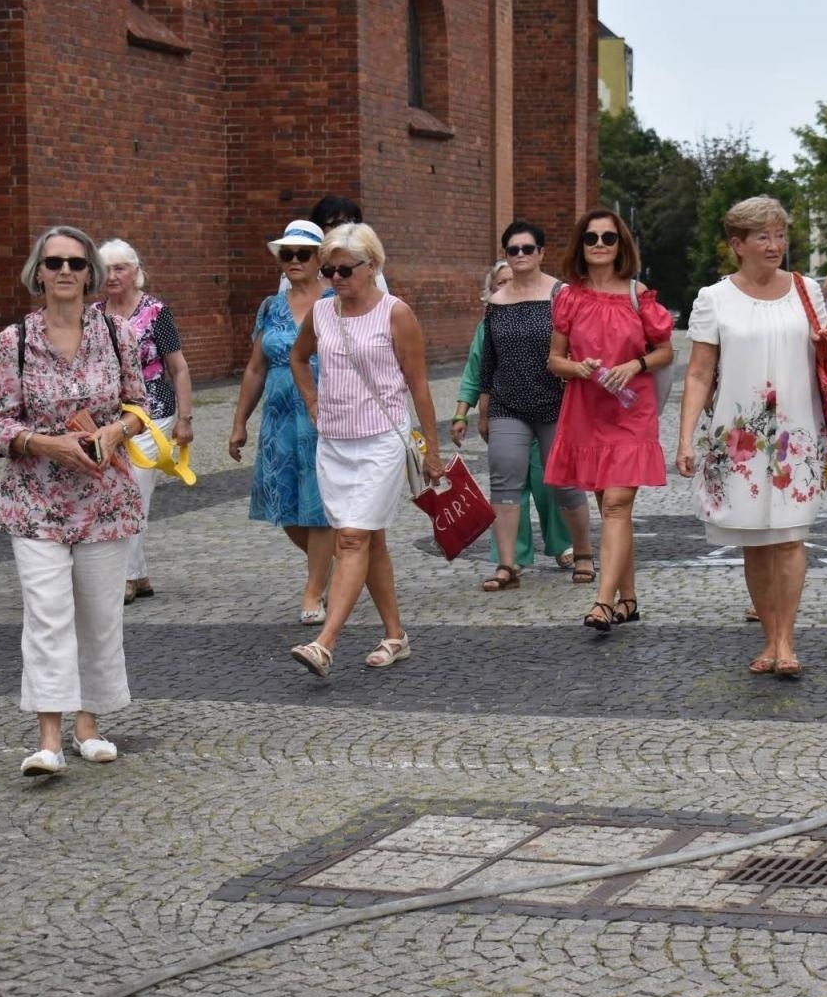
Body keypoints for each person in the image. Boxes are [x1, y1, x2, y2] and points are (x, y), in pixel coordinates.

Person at [0, 226, 149, 777]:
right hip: (35, 499)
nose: (64, 271)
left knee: (99, 616)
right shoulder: (14, 341)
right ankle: (48, 739)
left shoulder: (117, 333)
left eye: (75, 263)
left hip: (105, 497)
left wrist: (116, 432)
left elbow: (138, 404)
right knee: (47, 615)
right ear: (38, 272)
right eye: (54, 262)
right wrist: (45, 443)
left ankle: (88, 725)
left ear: (89, 274)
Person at [676, 196, 827, 677]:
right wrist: (685, 438)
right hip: (738, 438)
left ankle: (786, 642)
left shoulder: (807, 290)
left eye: (780, 235)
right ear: (737, 244)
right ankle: (769, 638)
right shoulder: (714, 298)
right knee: (756, 542)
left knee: (790, 537)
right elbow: (699, 374)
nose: (774, 245)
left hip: (797, 435)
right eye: (763, 236)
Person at [286, 223, 445, 677]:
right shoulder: (322, 312)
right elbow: (298, 357)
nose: (334, 278)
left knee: (351, 538)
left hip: (382, 440)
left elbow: (419, 385)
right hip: (335, 443)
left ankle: (325, 643)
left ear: (372, 266)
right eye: (328, 271)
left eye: (344, 270)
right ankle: (395, 635)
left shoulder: (397, 313)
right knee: (370, 540)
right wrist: (312, 401)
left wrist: (432, 451)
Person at [543, 208, 675, 633]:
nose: (599, 244)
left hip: (631, 410)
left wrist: (635, 364)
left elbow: (665, 351)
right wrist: (578, 368)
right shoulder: (569, 297)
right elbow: (554, 359)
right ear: (580, 246)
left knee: (617, 504)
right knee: (610, 508)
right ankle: (628, 600)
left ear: (621, 245)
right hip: (587, 410)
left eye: (608, 238)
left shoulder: (639, 295)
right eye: (591, 238)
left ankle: (602, 602)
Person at [228, 219, 336, 624]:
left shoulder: (336, 301)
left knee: (318, 504)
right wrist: (239, 422)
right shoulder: (271, 307)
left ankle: (314, 590)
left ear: (319, 258)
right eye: (286, 254)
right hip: (279, 419)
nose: (293, 260)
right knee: (284, 505)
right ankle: (342, 563)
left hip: (324, 415)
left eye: (302, 253)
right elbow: (255, 368)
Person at [475, 221, 592, 592]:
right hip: (508, 404)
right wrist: (483, 408)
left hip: (556, 403)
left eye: (528, 248)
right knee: (504, 479)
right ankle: (506, 564)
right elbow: (488, 360)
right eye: (513, 250)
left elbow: (581, 344)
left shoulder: (562, 294)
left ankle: (584, 553)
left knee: (565, 483)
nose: (520, 255)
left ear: (541, 252)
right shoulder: (496, 302)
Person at [451, 255, 574, 576]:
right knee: (510, 486)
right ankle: (513, 556)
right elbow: (475, 372)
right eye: (500, 283)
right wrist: (463, 414)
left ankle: (564, 544)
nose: (507, 287)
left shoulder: (549, 313)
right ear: (491, 292)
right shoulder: (489, 325)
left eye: (511, 281)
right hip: (506, 413)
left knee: (550, 483)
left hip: (547, 409)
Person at [94, 239, 194, 605]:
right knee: (112, 491)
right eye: (106, 269)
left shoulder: (155, 312)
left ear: (135, 272)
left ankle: (125, 577)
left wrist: (185, 419)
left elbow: (178, 368)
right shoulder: (94, 314)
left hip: (153, 412)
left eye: (119, 268)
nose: (112, 276)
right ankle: (139, 575)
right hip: (109, 416)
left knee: (134, 490)